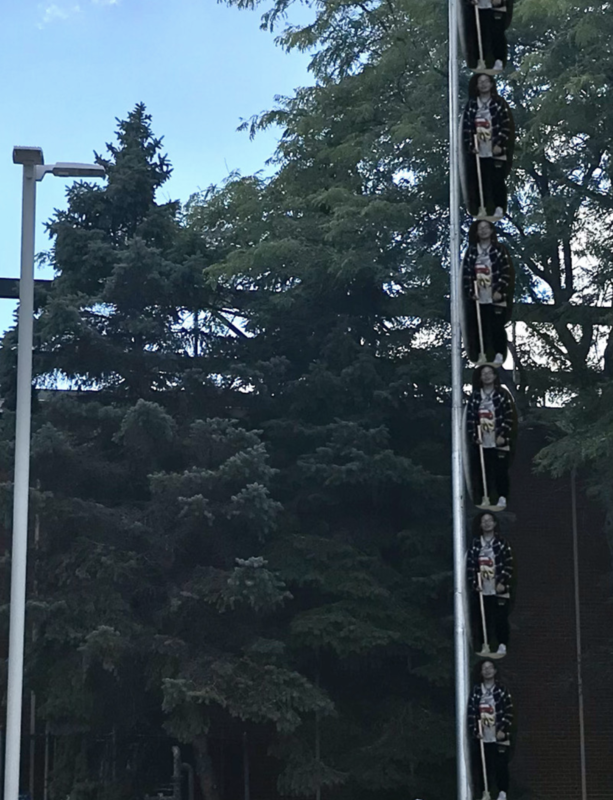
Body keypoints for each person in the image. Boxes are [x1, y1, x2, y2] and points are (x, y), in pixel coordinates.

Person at [462, 74, 513, 219]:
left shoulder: (498, 102)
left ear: (491, 84)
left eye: (486, 82)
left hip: (495, 148)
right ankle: (480, 208)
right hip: (479, 148)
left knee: (497, 180)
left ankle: (498, 208)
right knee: (479, 180)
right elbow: (467, 127)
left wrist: (499, 144)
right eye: (480, 82)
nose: (483, 85)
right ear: (476, 86)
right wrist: (471, 146)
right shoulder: (472, 104)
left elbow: (505, 125)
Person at [462, 219, 514, 365]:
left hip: (496, 295)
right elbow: (467, 274)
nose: (483, 230)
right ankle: (481, 354)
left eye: (486, 228)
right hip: (479, 295)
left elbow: (506, 272)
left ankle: (498, 353)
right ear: (476, 232)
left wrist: (499, 290)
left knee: (497, 326)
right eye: (480, 228)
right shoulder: (472, 251)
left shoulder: (499, 249)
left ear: (491, 231)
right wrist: (470, 292)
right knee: (480, 326)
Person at [466, 364, 515, 509]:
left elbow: (509, 416)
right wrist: (474, 436)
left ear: (494, 376)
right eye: (483, 374)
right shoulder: (475, 396)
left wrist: (502, 434)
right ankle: (483, 497)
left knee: (500, 471)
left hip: (498, 440)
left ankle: (502, 497)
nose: (486, 376)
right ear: (480, 378)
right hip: (482, 440)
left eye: (489, 373)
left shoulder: (501, 394)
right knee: (482, 471)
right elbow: (470, 419)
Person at [467, 512, 514, 657]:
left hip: (498, 588)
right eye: (483, 521)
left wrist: (502, 582)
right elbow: (470, 566)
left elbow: (509, 564)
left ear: (494, 523)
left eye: (489, 520)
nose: (486, 523)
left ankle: (501, 645)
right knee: (482, 618)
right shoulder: (476, 544)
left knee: (500, 617)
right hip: (483, 588)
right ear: (480, 525)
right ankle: (483, 644)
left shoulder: (501, 542)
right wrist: (474, 583)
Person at [468, 659, 513, 800]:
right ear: (481, 672)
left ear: (495, 670)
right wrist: (475, 731)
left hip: (498, 735)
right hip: (483, 736)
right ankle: (485, 792)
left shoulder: (501, 690)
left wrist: (503, 730)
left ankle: (502, 793)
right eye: (484, 668)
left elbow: (509, 711)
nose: (487, 670)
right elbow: (471, 713)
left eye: (490, 667)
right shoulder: (476, 690)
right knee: (483, 766)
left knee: (501, 765)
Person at [460, 0, 513, 73]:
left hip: (493, 9)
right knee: (475, 35)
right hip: (474, 9)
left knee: (495, 35)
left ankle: (497, 60)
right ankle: (478, 60)